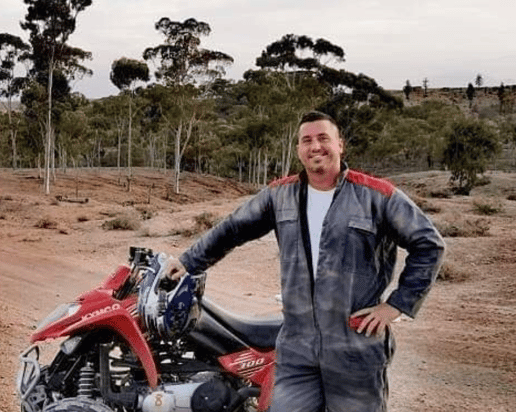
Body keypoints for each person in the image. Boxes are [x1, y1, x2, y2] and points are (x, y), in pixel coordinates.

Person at [167, 110, 444, 412]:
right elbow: (232, 229)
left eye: (323, 138)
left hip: (354, 346)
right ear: (298, 149)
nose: (315, 147)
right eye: (307, 140)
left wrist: (396, 305)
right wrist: (188, 262)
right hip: (296, 348)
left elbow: (429, 244)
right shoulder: (279, 195)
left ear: (341, 145)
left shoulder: (377, 196)